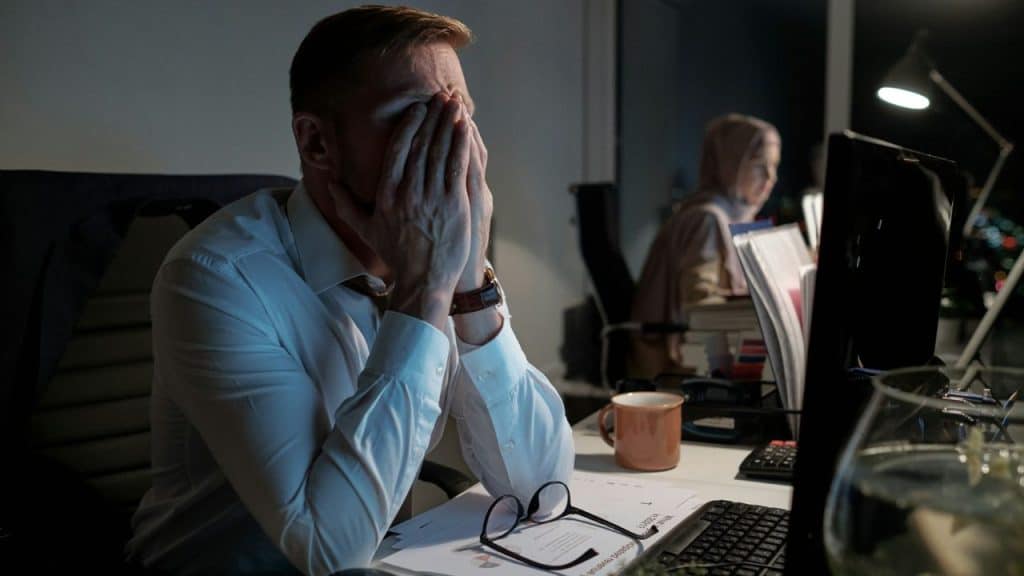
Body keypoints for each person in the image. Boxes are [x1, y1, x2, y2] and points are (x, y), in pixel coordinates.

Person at [125, 6, 574, 575]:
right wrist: (426, 288)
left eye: (461, 118)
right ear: (316, 143)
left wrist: (468, 285)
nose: (455, 148)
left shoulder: (440, 254)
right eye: (417, 119)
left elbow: (544, 489)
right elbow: (326, 551)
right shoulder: (214, 277)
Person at [630, 114, 781, 378]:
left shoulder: (730, 215)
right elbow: (701, 307)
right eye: (759, 165)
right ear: (730, 164)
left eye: (774, 165)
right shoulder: (707, 220)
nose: (771, 177)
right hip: (675, 361)